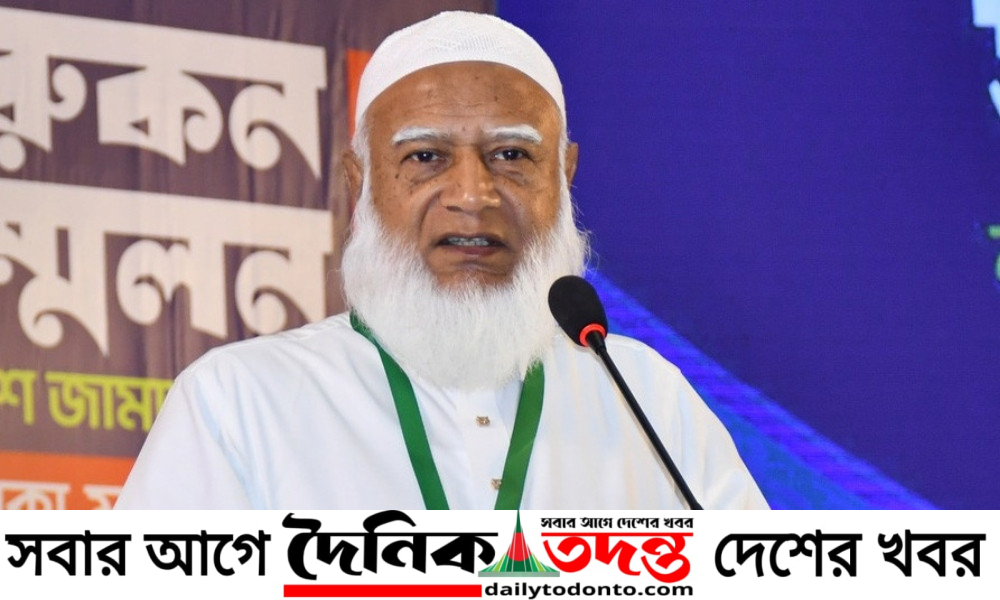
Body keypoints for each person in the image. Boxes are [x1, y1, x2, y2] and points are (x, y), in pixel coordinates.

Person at [115, 11, 768, 510]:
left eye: (511, 156)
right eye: (425, 157)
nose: (472, 195)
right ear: (359, 183)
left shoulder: (646, 399)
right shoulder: (239, 402)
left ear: (563, 176)